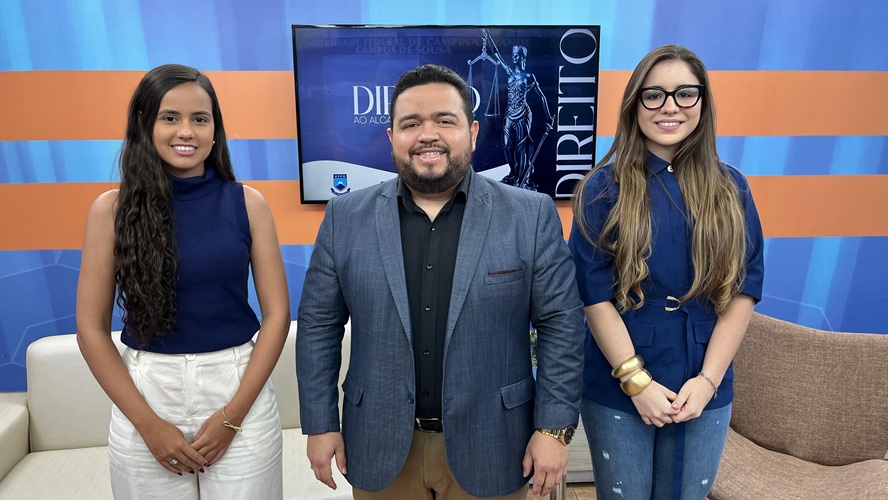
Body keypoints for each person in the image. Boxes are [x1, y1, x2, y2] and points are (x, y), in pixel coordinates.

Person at [296, 64, 584, 499]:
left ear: (472, 132)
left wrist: (554, 429)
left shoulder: (530, 215)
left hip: (495, 443)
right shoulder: (345, 218)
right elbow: (318, 325)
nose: (427, 135)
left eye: (444, 121)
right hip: (379, 444)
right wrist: (320, 424)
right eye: (411, 123)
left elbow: (562, 324)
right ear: (392, 137)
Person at [76, 64, 290, 499]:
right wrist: (148, 424)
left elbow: (278, 315)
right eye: (170, 117)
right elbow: (90, 329)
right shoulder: (110, 211)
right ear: (144, 123)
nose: (186, 131)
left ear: (215, 129)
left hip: (236, 389)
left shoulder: (248, 203)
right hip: (147, 393)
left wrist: (232, 417)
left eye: (200, 118)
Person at [568, 45, 765, 499]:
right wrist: (635, 381)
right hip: (619, 383)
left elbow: (743, 290)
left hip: (704, 382)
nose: (670, 106)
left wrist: (708, 382)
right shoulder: (601, 189)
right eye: (654, 94)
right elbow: (593, 296)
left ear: (702, 102)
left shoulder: (732, 188)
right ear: (634, 104)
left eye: (685, 94)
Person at [481, 30, 555, 191]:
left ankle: (521, 180)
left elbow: (541, 97)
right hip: (510, 114)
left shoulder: (529, 77)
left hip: (523, 114)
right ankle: (514, 173)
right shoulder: (509, 72)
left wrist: (549, 118)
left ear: (523, 57)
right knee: (507, 145)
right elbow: (497, 55)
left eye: (517, 55)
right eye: (513, 54)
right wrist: (488, 37)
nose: (514, 57)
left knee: (521, 148)